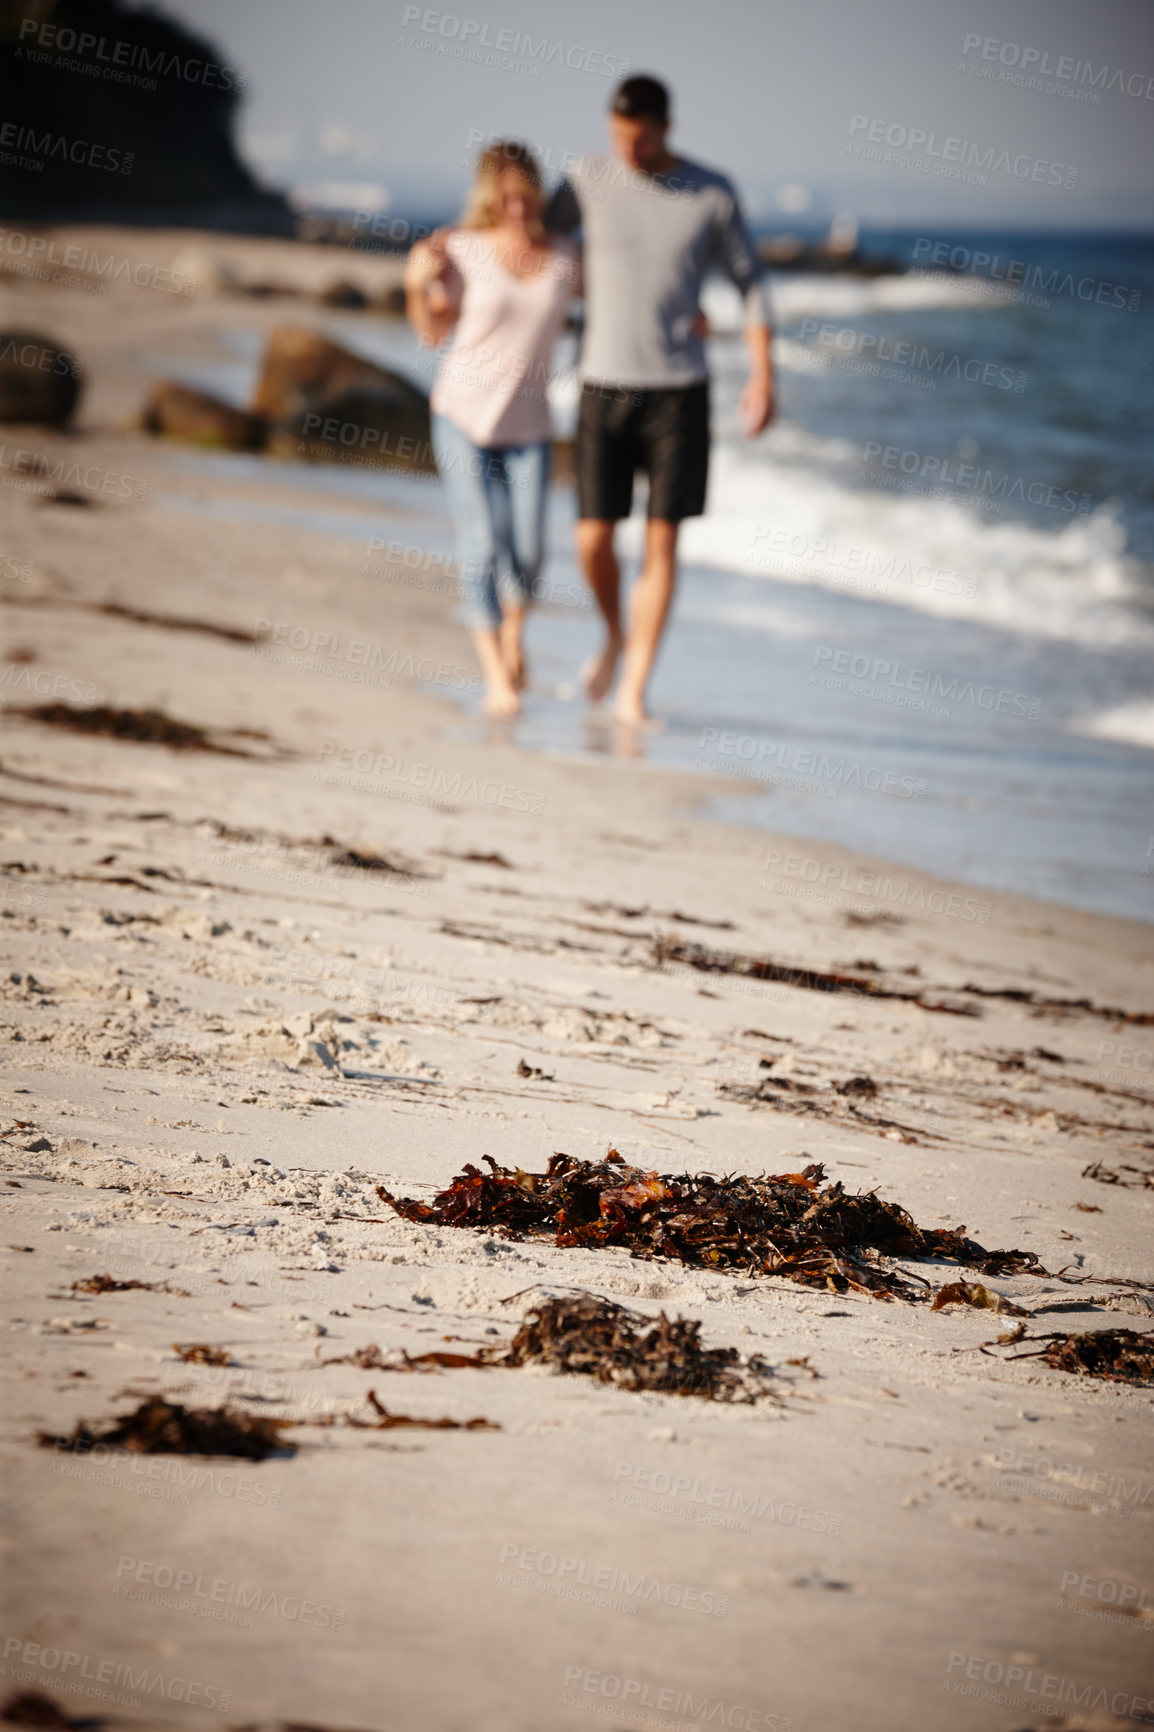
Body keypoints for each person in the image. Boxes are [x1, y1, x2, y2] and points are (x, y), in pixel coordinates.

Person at [547, 74, 775, 725]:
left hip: (679, 393)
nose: (629, 151)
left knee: (662, 544)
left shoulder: (711, 191)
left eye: (641, 140)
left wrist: (763, 377)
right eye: (619, 137)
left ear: (667, 128)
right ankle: (615, 636)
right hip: (601, 383)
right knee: (592, 539)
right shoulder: (585, 178)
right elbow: (529, 233)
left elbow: (750, 282)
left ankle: (634, 688)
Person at [405, 140, 580, 716]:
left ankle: (513, 637)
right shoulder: (463, 251)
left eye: (523, 195)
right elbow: (432, 332)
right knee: (480, 545)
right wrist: (415, 286)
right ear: (487, 197)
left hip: (530, 428)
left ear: (537, 193)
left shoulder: (565, 259)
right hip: (460, 418)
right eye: (502, 197)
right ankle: (496, 680)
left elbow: (619, 301)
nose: (515, 207)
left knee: (527, 555)